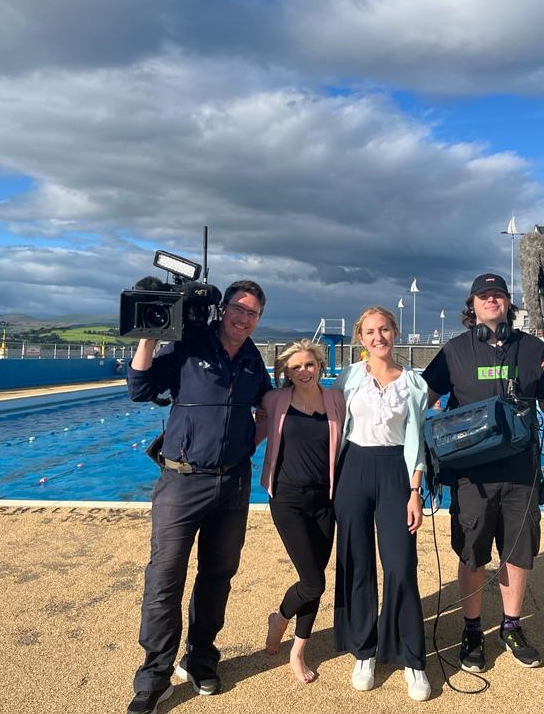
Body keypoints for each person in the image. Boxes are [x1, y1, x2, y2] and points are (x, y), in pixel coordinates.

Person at [125, 280, 272, 714]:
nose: (243, 318)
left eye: (253, 313)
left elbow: (268, 403)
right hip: (182, 481)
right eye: (238, 309)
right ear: (223, 309)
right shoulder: (189, 345)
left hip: (233, 483)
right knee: (164, 578)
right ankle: (154, 676)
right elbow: (140, 387)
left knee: (218, 574)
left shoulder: (251, 358)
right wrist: (150, 336)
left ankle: (201, 658)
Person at [422, 273, 544, 672]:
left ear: (508, 303)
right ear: (472, 305)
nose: (491, 300)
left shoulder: (533, 348)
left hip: (521, 472)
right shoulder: (454, 351)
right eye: (483, 296)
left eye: (498, 295)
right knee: (472, 553)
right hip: (473, 476)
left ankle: (511, 626)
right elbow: (424, 398)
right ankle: (471, 628)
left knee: (517, 553)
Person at [332, 306, 432, 702]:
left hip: (396, 473)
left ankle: (411, 657)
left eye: (384, 329)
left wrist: (415, 491)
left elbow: (417, 440)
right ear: (361, 338)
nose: (378, 337)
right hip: (354, 469)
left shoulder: (414, 384)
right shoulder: (349, 377)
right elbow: (333, 424)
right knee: (357, 563)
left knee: (401, 565)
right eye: (370, 331)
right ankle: (364, 649)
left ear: (395, 332)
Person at [257, 339, 346, 683]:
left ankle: (297, 651)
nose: (303, 371)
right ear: (285, 372)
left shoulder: (335, 400)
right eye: (295, 367)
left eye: (309, 364)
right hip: (288, 499)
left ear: (320, 365)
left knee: (315, 582)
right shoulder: (275, 400)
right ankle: (280, 618)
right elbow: (251, 434)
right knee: (313, 581)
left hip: (326, 501)